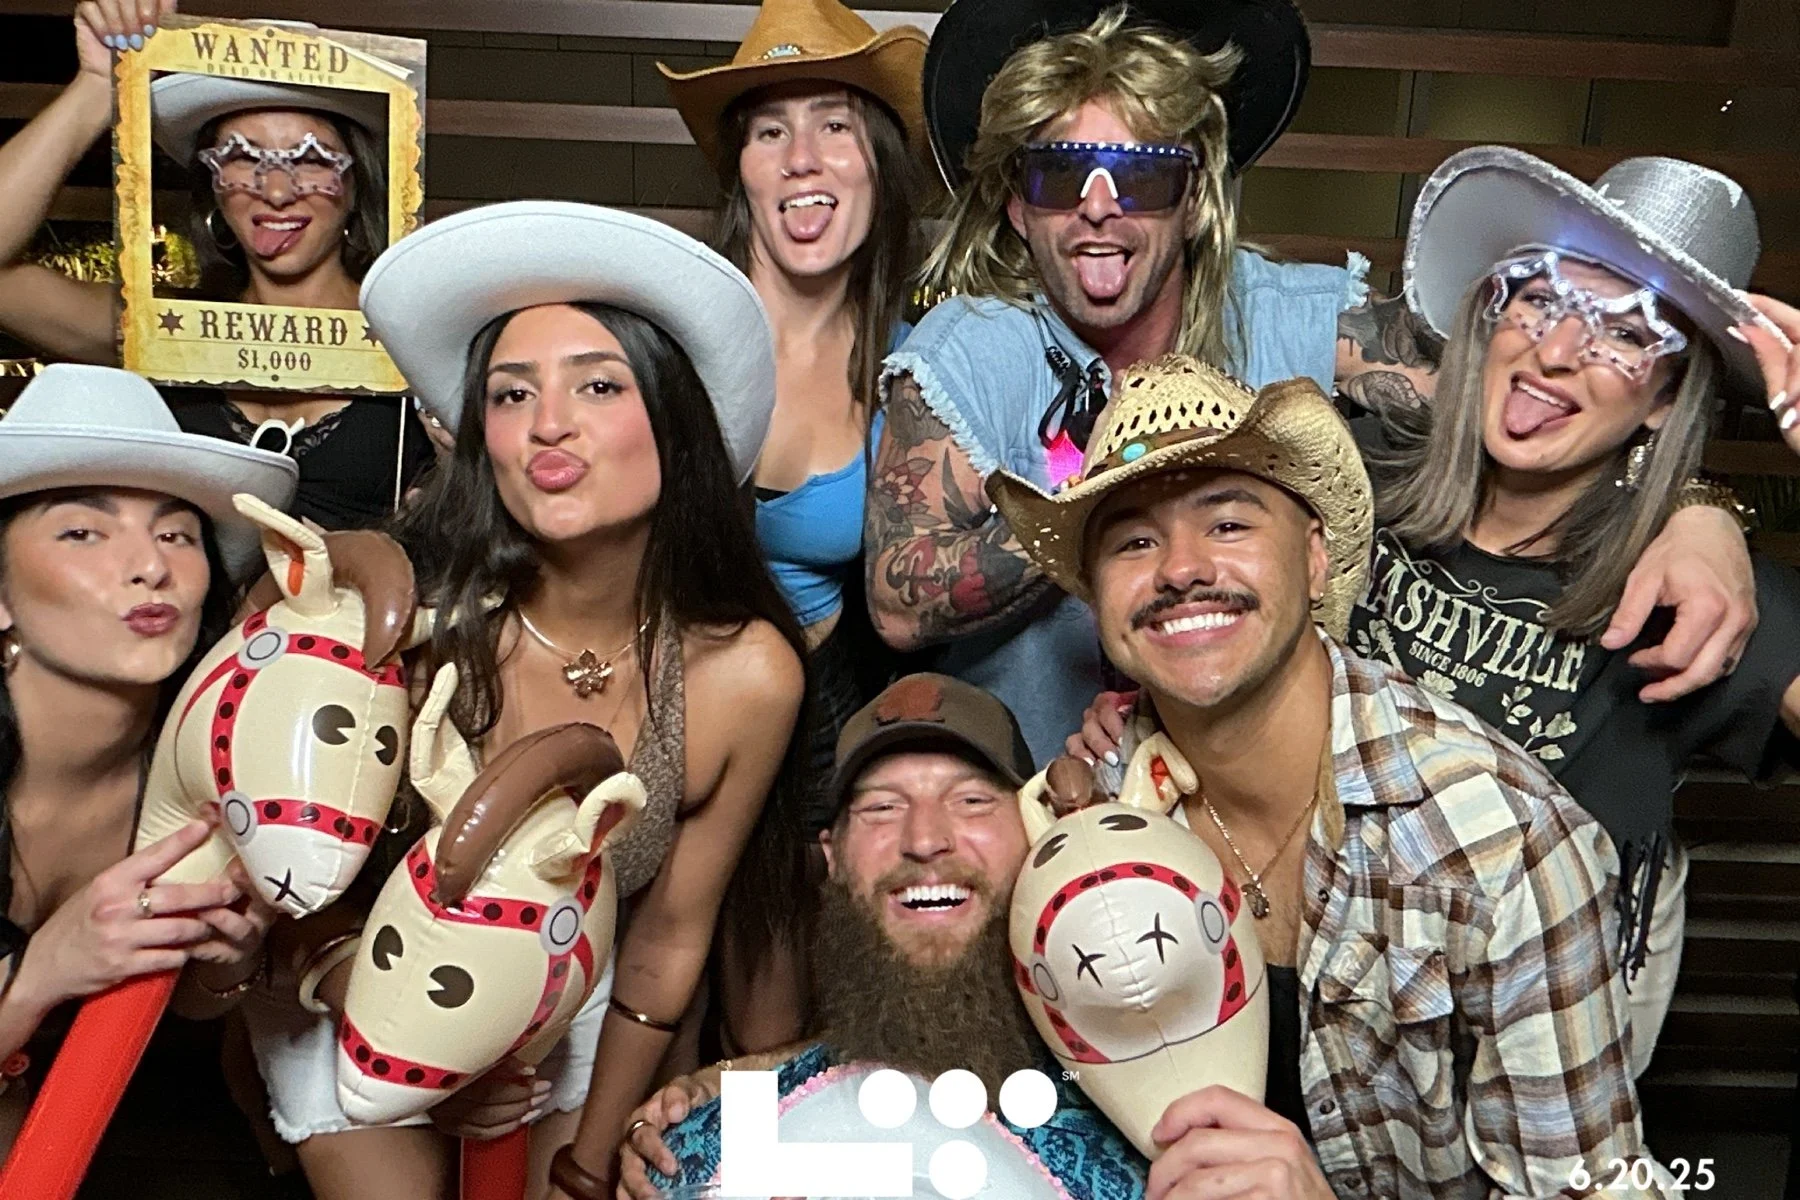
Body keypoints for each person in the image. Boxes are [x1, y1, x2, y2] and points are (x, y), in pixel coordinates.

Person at [868, 0, 1763, 769]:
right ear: (1019, 204)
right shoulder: (970, 349)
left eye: (1141, 177)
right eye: (1061, 174)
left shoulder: (1298, 318)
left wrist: (1697, 505)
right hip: (1039, 797)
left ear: (1195, 199)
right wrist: (1104, 499)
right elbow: (899, 604)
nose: (1099, 205)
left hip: (1268, 803)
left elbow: (1522, 396)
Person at [1075, 147, 1800, 1081]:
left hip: (1517, 1030)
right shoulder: (1357, 475)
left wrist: (1702, 510)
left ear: (1667, 398)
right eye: (1539, 298)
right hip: (1295, 958)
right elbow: (1202, 580)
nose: (1556, 350)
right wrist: (1145, 722)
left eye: (1627, 332)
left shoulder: (1692, 592)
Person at [990, 356, 1678, 1197]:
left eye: (1228, 524)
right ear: (1097, 599)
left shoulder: (1502, 847)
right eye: (1134, 541)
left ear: (1315, 558)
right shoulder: (1092, 808)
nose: (1180, 568)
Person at [235, 203, 809, 1200]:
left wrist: (590, 1165)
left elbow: (668, 941)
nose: (548, 423)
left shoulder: (743, 672)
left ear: (676, 423)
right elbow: (268, 870)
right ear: (481, 438)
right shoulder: (395, 619)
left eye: (599, 384)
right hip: (339, 977)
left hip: (559, 993)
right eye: (511, 393)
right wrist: (409, 1031)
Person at [615, 673, 1150, 1200]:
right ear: (832, 856)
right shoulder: (727, 1140)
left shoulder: (1140, 1115)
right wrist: (712, 1095)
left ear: (1039, 828)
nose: (925, 839)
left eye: (971, 801)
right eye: (882, 808)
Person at [0, 362, 295, 1160]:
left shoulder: (215, 767)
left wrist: (228, 962)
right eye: (82, 532)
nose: (151, 566)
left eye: (175, 534)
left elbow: (191, 1006)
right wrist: (38, 978)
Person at [0, 1, 432, 533]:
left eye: (312, 159)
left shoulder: (412, 340)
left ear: (355, 184)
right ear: (212, 187)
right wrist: (95, 87)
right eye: (243, 157)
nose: (277, 192)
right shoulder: (159, 331)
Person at [663, 0, 929, 834]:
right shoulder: (662, 335)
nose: (802, 158)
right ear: (740, 167)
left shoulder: (912, 368)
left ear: (879, 160)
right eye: (770, 131)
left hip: (824, 724)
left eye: (835, 125)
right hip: (652, 704)